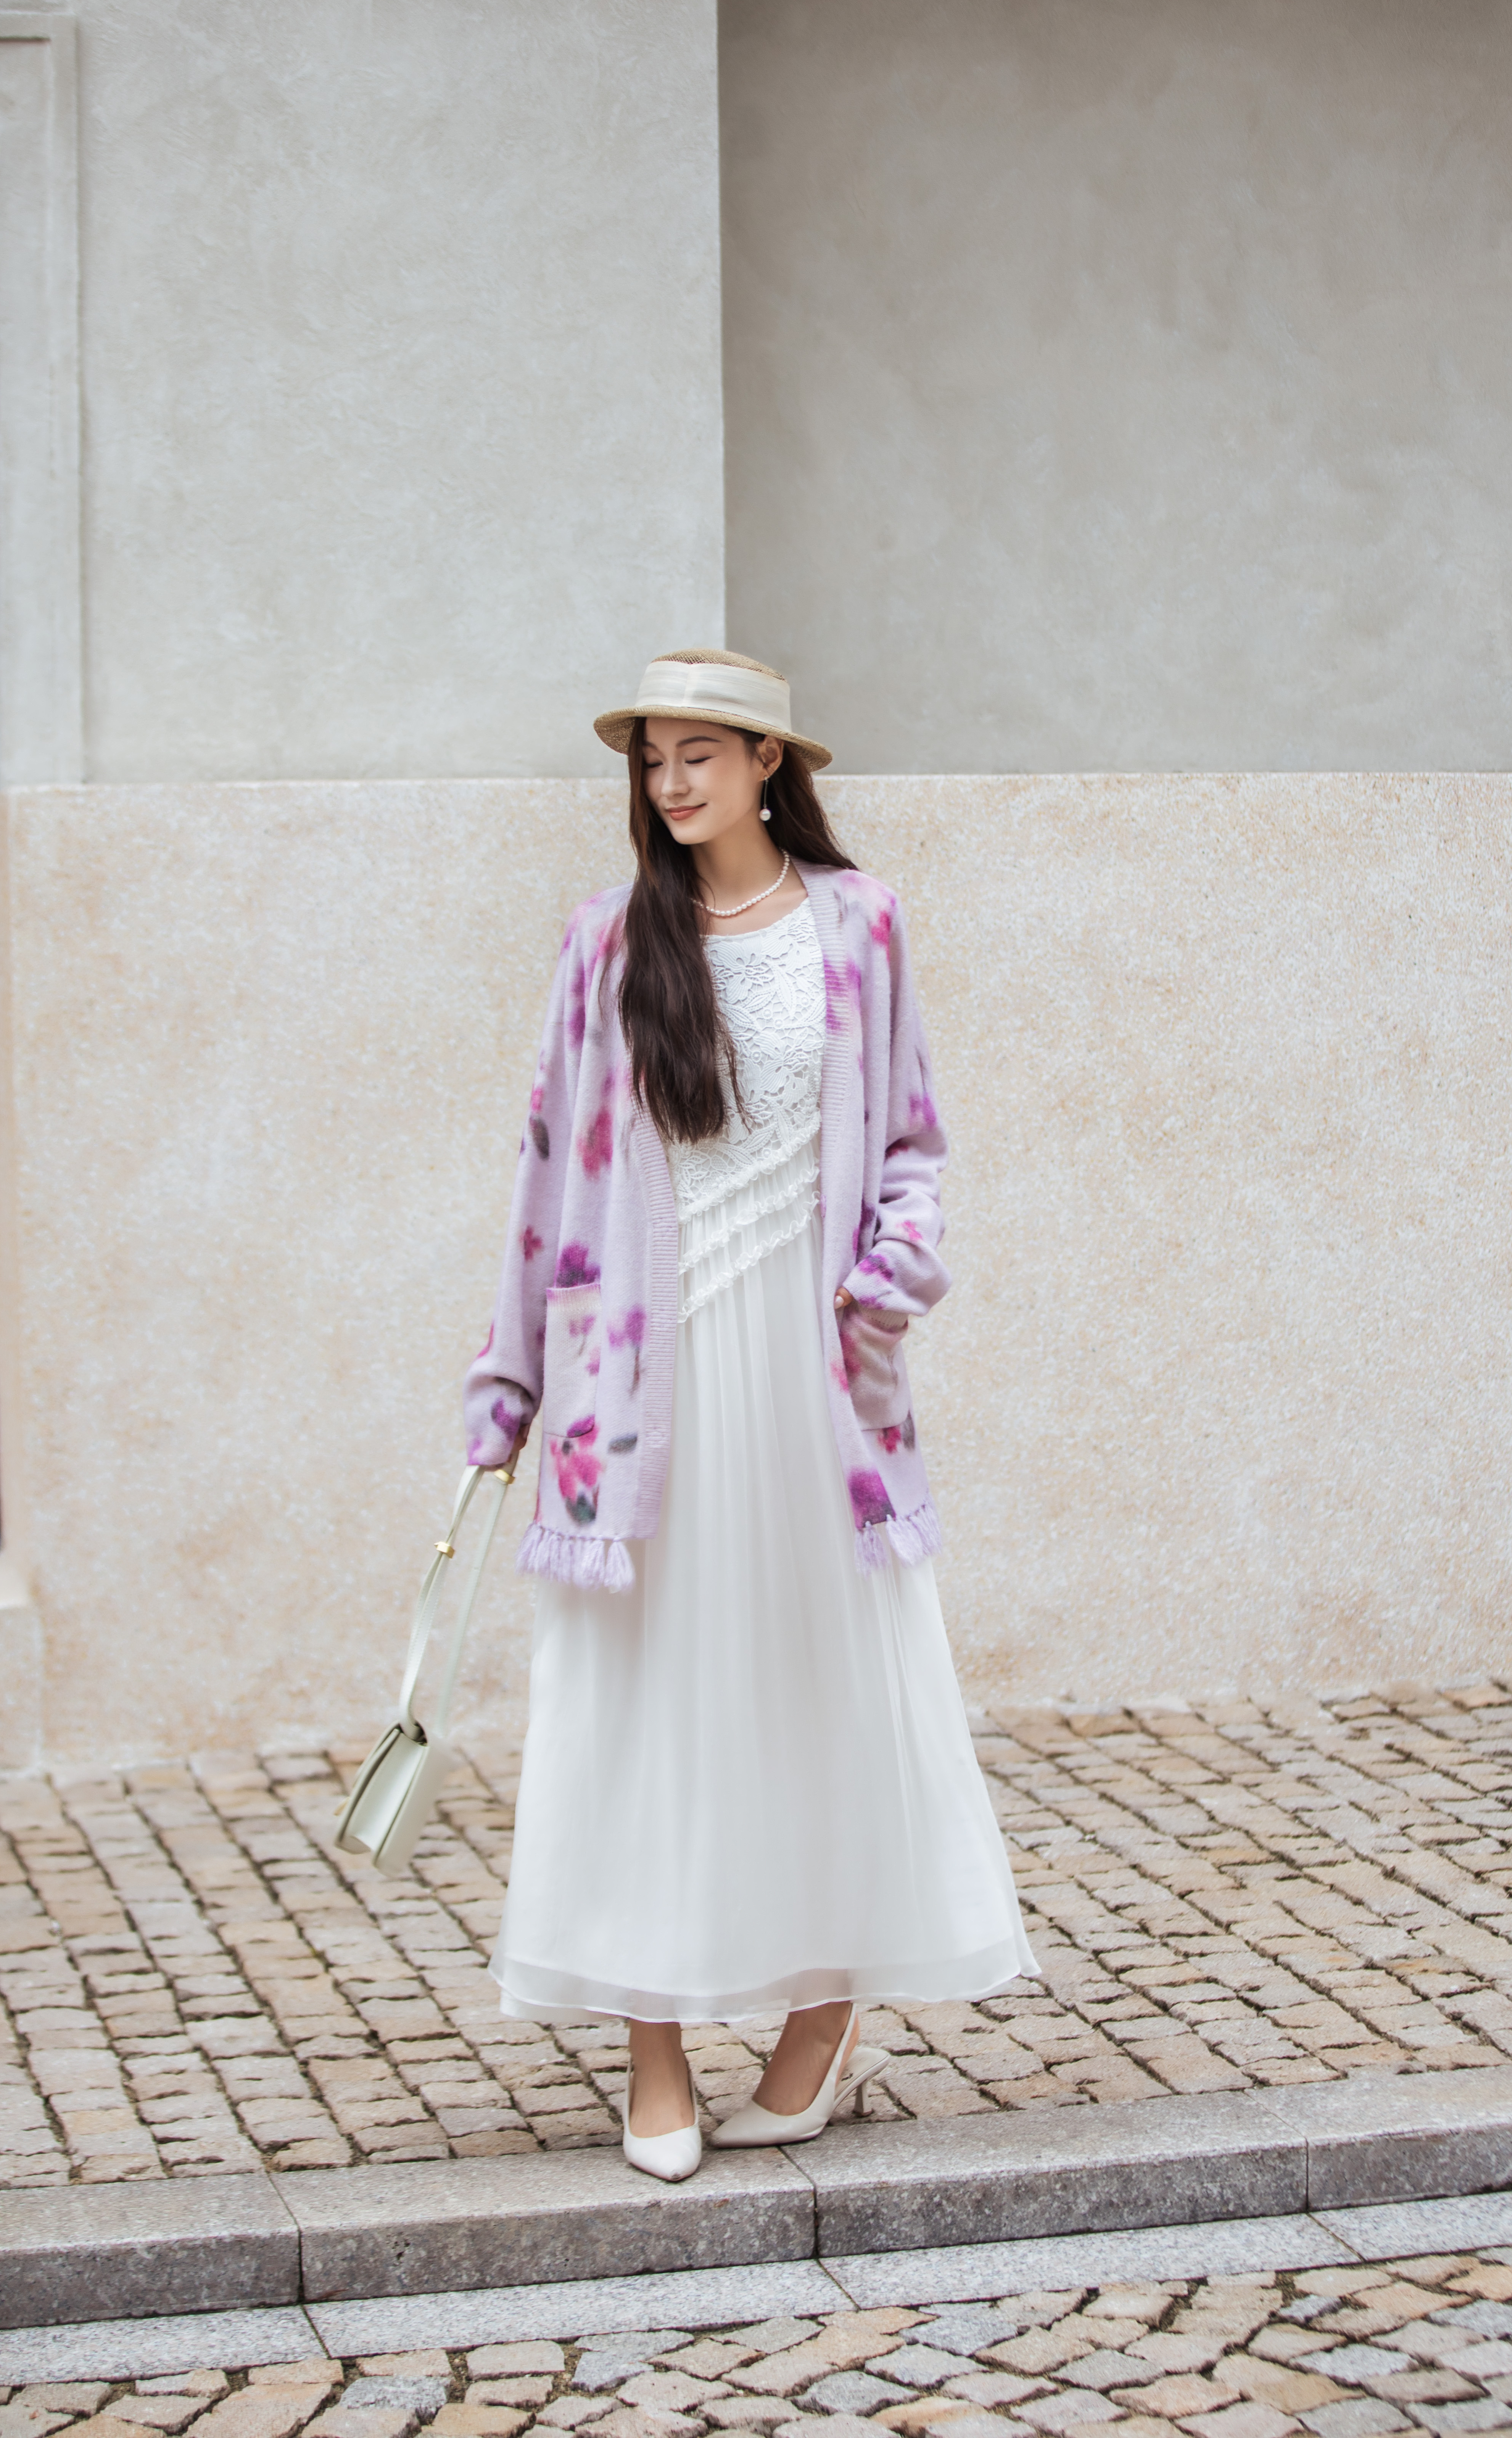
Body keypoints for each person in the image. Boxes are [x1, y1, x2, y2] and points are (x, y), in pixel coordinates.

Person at [464, 648, 1036, 2182]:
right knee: (638, 1710)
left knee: (817, 1698)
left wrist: (894, 1272)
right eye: (652, 759)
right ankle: (652, 2052)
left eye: (699, 755)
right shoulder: (607, 941)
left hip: (812, 1393)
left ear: (769, 761)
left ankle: (820, 2021)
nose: (670, 783)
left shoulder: (860, 925)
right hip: (632, 1390)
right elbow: (545, 1171)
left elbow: (911, 1139)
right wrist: (511, 1379)